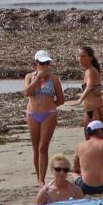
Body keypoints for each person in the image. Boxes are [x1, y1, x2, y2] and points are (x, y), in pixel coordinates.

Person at [24, 50, 64, 185]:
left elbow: (61, 99)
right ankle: (38, 178)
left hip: (49, 115)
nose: (45, 65)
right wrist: (38, 77)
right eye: (42, 63)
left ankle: (42, 179)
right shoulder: (29, 76)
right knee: (35, 147)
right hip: (32, 114)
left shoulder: (54, 79)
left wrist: (50, 106)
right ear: (36, 63)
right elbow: (27, 92)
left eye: (47, 63)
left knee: (43, 147)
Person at [74, 46, 103, 126]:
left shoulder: (91, 71)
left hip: (98, 109)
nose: (80, 59)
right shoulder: (87, 71)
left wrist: (80, 100)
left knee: (99, 137)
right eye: (79, 56)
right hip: (89, 110)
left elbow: (89, 87)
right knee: (88, 137)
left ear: (90, 58)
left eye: (83, 56)